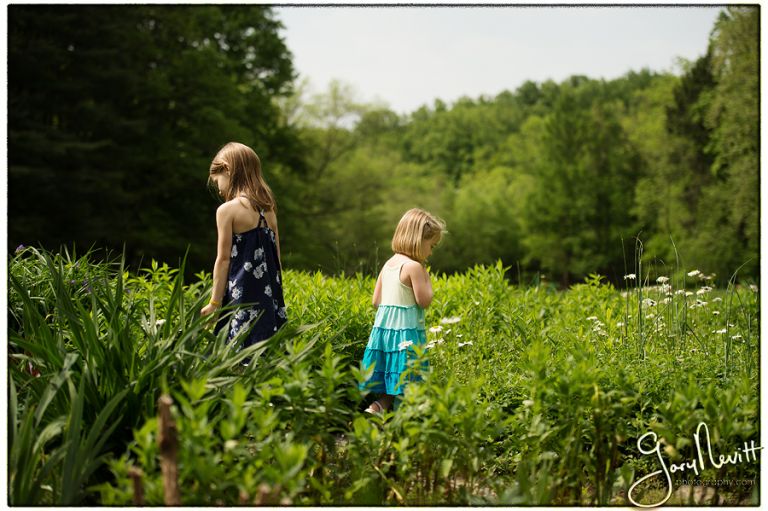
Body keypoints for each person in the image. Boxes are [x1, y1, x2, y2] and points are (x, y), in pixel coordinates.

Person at [200, 142, 287, 352]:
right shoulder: (269, 212)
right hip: (269, 302)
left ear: (228, 170)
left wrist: (214, 302)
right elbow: (277, 261)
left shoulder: (227, 211)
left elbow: (223, 260)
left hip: (241, 300)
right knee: (267, 357)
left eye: (217, 181)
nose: (219, 190)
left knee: (236, 356)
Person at [359, 208, 446, 414]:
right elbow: (424, 301)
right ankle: (403, 422)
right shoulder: (414, 267)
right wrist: (427, 278)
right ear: (418, 240)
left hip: (384, 332)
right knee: (408, 380)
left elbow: (375, 301)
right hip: (405, 333)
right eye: (431, 246)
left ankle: (378, 407)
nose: (431, 252)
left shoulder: (388, 264)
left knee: (394, 378)